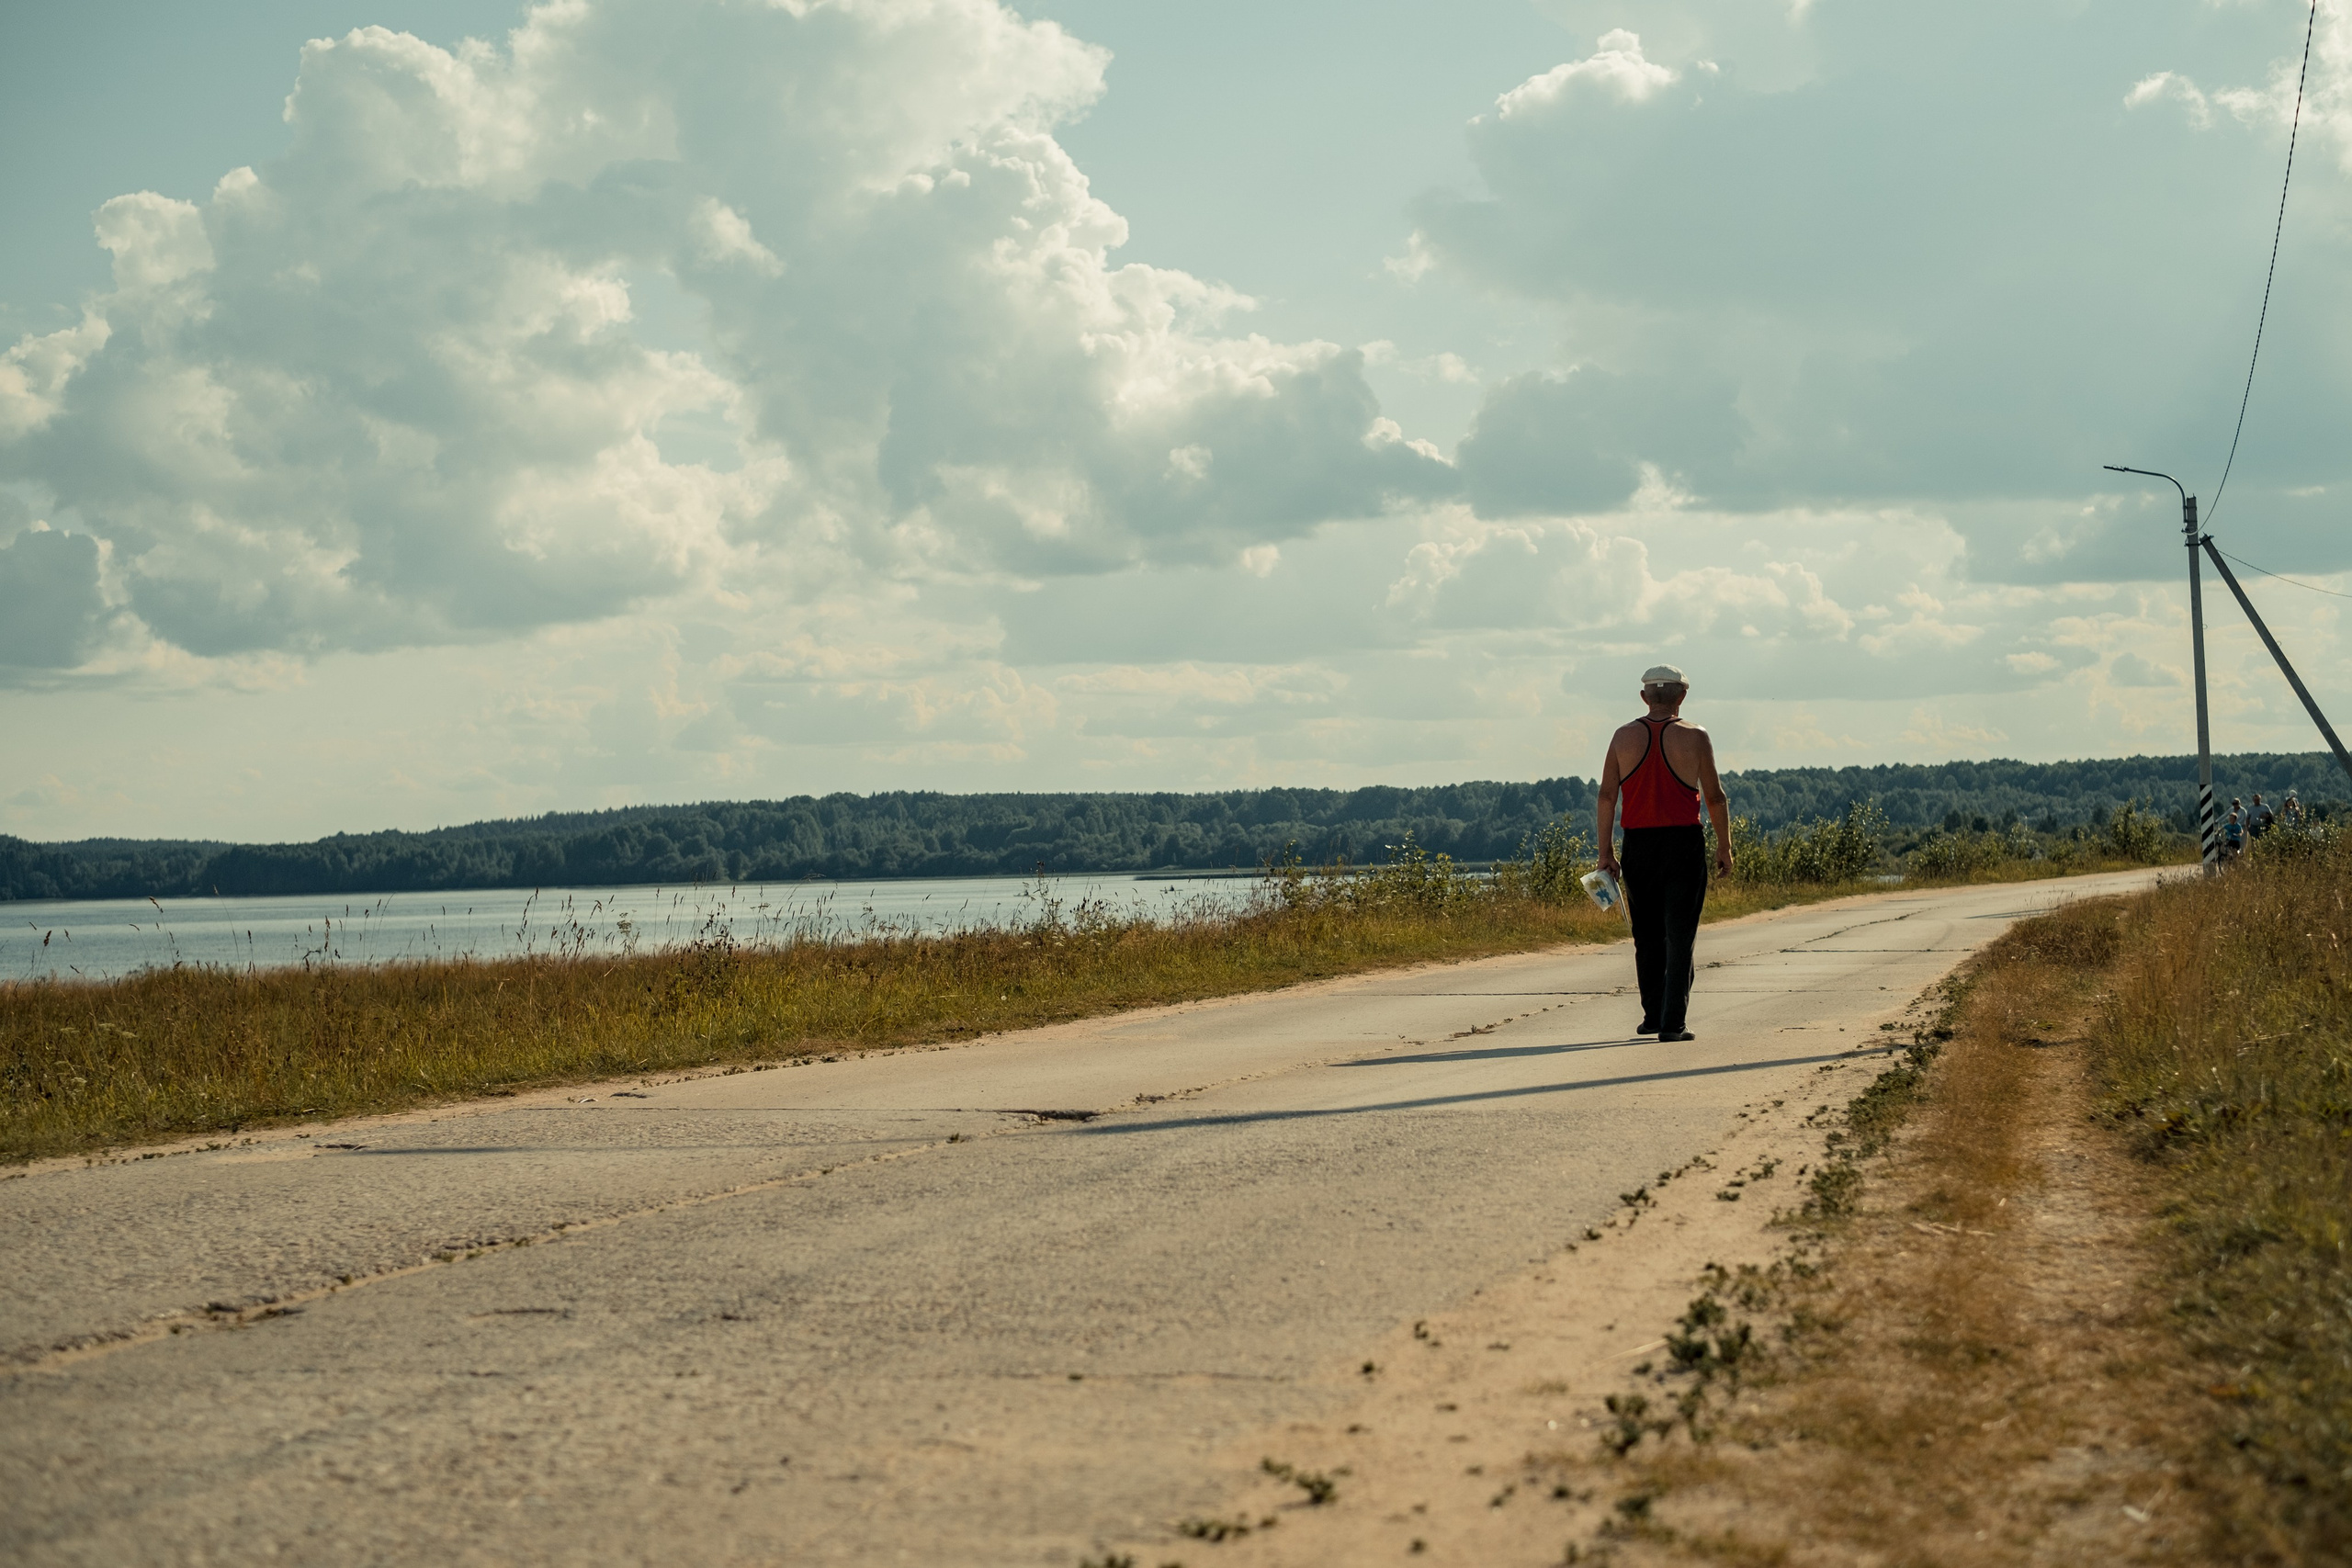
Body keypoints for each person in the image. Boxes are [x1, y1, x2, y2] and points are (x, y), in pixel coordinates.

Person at [1595, 664, 1733, 1043]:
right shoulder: (1695, 736)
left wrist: (1605, 851)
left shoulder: (1623, 737)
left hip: (1638, 844)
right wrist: (1724, 846)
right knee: (1680, 933)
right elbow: (1715, 797)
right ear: (1682, 697)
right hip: (1682, 844)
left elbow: (1607, 795)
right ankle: (1673, 1022)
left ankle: (1653, 1014)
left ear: (1644, 697)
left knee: (1647, 933)